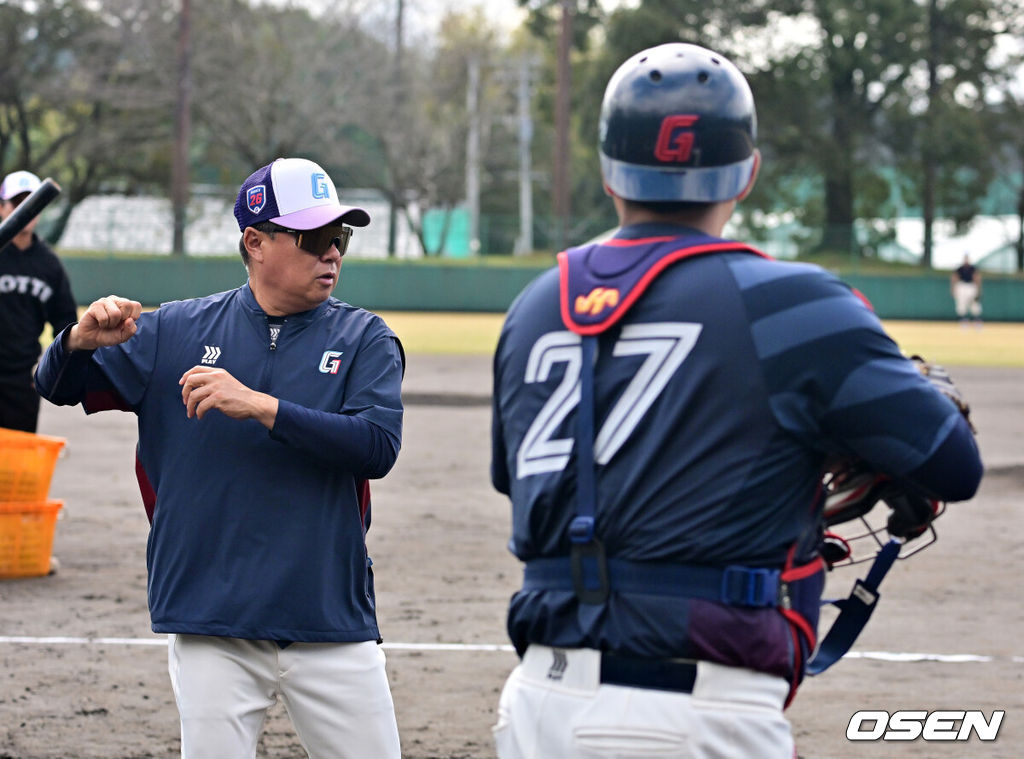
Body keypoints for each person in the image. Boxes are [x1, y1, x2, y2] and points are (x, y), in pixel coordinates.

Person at [489, 43, 983, 759]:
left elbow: (523, 481)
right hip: (692, 716)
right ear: (747, 171)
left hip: (536, 703)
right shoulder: (794, 303)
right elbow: (953, 466)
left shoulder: (535, 305)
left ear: (606, 169)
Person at [34, 157, 405, 759]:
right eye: (314, 238)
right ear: (255, 242)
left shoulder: (365, 338)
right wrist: (74, 343)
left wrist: (261, 406)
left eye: (340, 237)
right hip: (212, 618)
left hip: (328, 617)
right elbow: (57, 386)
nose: (332, 253)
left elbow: (376, 446)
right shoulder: (172, 332)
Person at [0, 170, 78, 432]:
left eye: (31, 203)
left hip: (21, 382)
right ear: (2, 208)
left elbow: (66, 324)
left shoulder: (49, 265)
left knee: (13, 467)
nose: (24, 211)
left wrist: (49, 367)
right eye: (16, 203)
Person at [951, 253, 982, 327]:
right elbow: (954, 278)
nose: (966, 261)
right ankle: (963, 320)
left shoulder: (973, 268)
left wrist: (978, 290)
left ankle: (976, 320)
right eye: (965, 259)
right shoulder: (960, 268)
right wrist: (953, 289)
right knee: (961, 303)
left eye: (967, 259)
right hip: (961, 286)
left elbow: (977, 278)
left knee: (974, 304)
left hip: (971, 286)